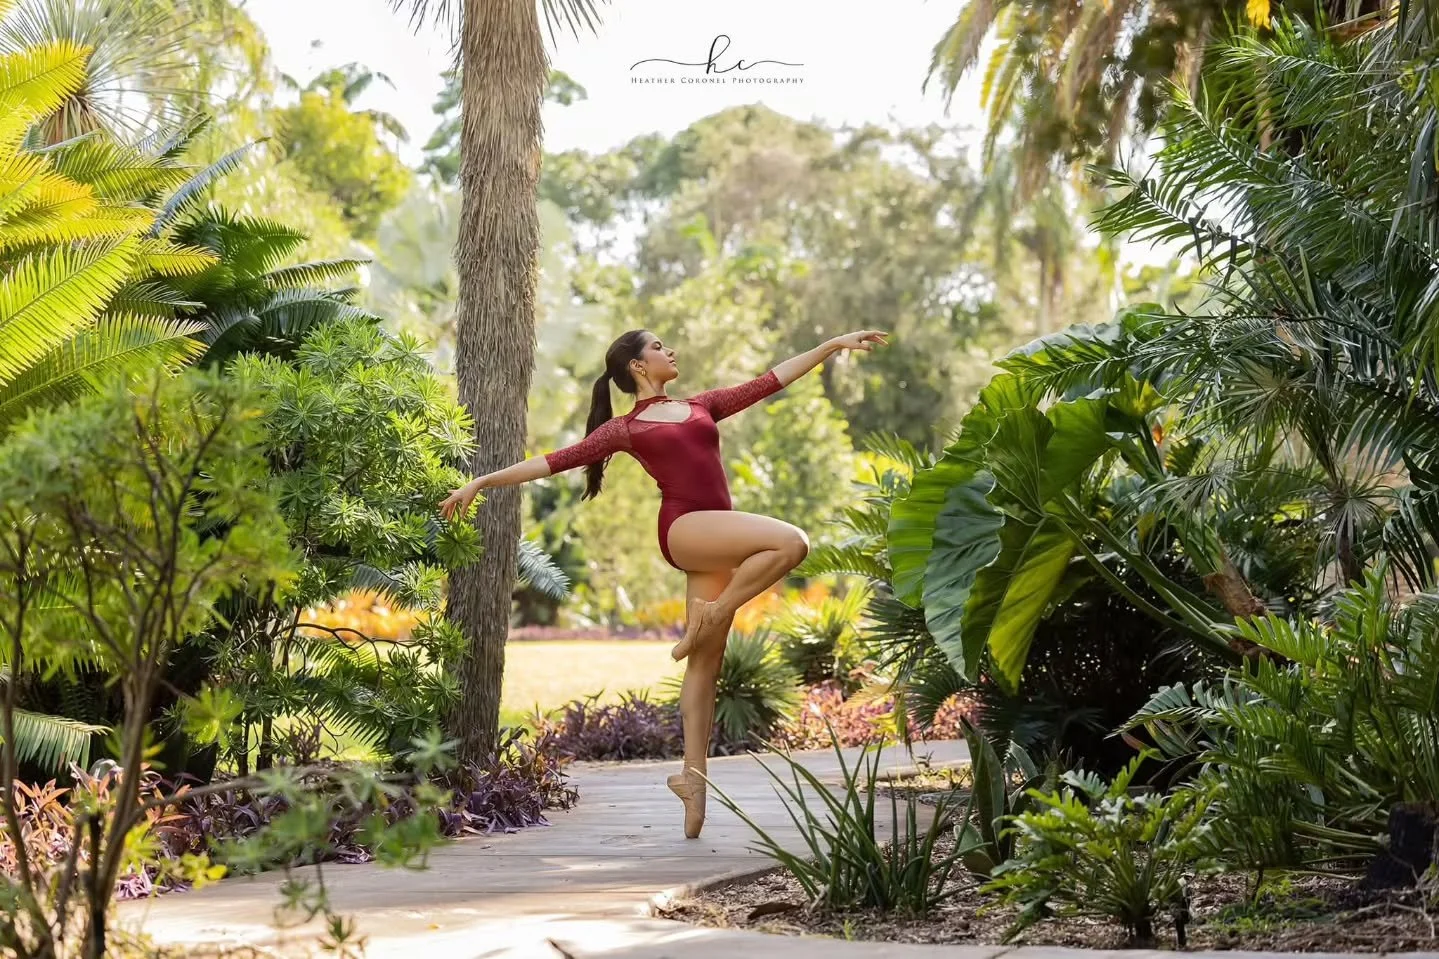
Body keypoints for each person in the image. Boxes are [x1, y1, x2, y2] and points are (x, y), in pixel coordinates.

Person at [439, 327, 888, 838]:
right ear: (636, 366)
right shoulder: (625, 428)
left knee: (705, 665)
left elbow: (772, 379)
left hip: (716, 535)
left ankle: (692, 780)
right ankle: (715, 614)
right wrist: (481, 480)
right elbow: (555, 460)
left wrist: (831, 346)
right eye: (657, 347)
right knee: (793, 543)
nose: (669, 351)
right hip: (684, 530)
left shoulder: (702, 406)